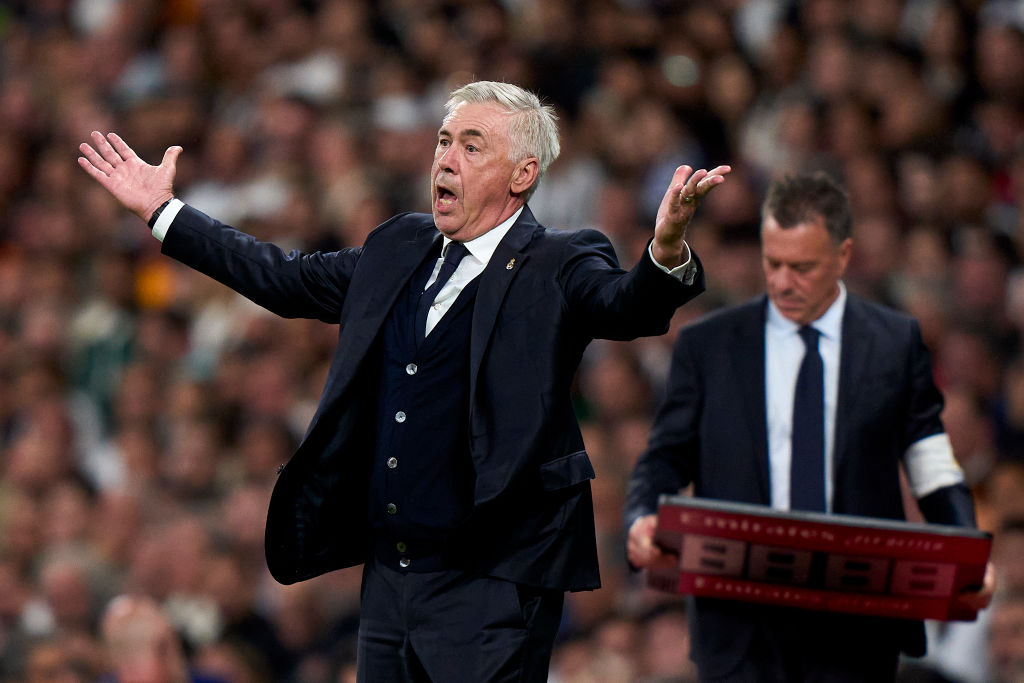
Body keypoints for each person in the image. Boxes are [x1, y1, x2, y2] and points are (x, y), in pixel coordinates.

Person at [78, 80, 730, 682]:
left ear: (522, 174)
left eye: (472, 145)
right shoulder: (399, 246)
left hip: (493, 579)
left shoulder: (560, 259)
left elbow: (626, 306)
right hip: (390, 577)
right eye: (444, 141)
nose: (445, 159)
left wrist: (666, 250)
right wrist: (164, 212)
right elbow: (284, 278)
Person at [624, 172, 994, 682]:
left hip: (857, 619)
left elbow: (930, 462)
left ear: (842, 257)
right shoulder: (709, 346)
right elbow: (665, 457)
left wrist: (967, 549)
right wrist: (643, 516)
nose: (782, 282)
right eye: (773, 263)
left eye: (801, 267)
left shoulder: (893, 343)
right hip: (740, 620)